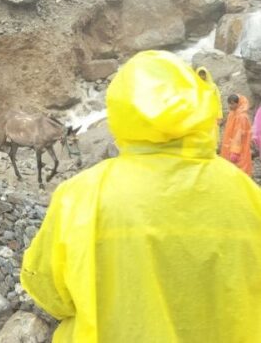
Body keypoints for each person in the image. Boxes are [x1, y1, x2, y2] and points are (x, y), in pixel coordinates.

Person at [21, 50, 261, 342]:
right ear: (199, 106)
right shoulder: (248, 194)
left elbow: (50, 295)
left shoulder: (82, 196)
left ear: (121, 113)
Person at [220, 93, 253, 175]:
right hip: (231, 147)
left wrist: (235, 151)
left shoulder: (241, 117)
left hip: (239, 149)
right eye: (229, 104)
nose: (230, 106)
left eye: (232, 104)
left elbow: (239, 136)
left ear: (238, 103)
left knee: (240, 170)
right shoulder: (233, 114)